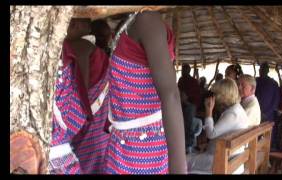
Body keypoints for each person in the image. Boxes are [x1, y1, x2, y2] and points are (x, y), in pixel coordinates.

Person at [105, 10, 187, 174]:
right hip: (122, 146)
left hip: (146, 149)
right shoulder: (129, 23)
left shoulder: (147, 21)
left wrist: (179, 169)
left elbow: (170, 95)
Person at [49, 18, 110, 174]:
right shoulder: (86, 48)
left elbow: (78, 91)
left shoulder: (78, 47)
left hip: (86, 124)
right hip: (97, 124)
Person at [187, 79, 249, 174]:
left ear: (223, 95)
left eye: (215, 94)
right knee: (190, 156)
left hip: (221, 161)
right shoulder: (237, 109)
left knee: (183, 161)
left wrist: (209, 111)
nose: (214, 97)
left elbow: (211, 134)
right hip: (231, 158)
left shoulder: (233, 113)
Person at [255, 62, 280, 149]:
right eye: (261, 69)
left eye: (264, 69)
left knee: (268, 136)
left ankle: (267, 155)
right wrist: (258, 113)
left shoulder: (273, 83)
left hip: (268, 115)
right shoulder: (255, 81)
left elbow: (275, 101)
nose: (262, 71)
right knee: (255, 135)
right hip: (255, 114)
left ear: (268, 70)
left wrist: (266, 114)